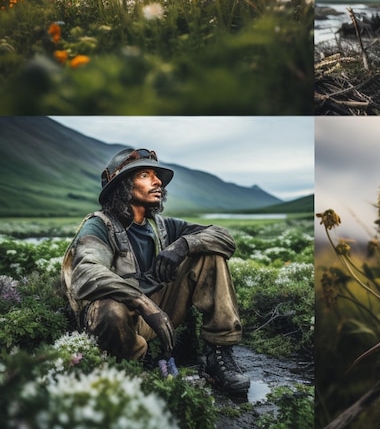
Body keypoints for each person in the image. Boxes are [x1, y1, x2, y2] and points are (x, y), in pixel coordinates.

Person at [61, 148, 250, 394]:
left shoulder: (163, 226)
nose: (158, 181)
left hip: (163, 310)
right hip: (125, 320)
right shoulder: (99, 226)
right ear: (122, 186)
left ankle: (218, 353)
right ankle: (133, 368)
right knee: (109, 310)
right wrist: (142, 302)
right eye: (144, 175)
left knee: (209, 252)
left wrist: (183, 245)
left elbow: (224, 238)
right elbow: (86, 272)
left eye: (156, 176)